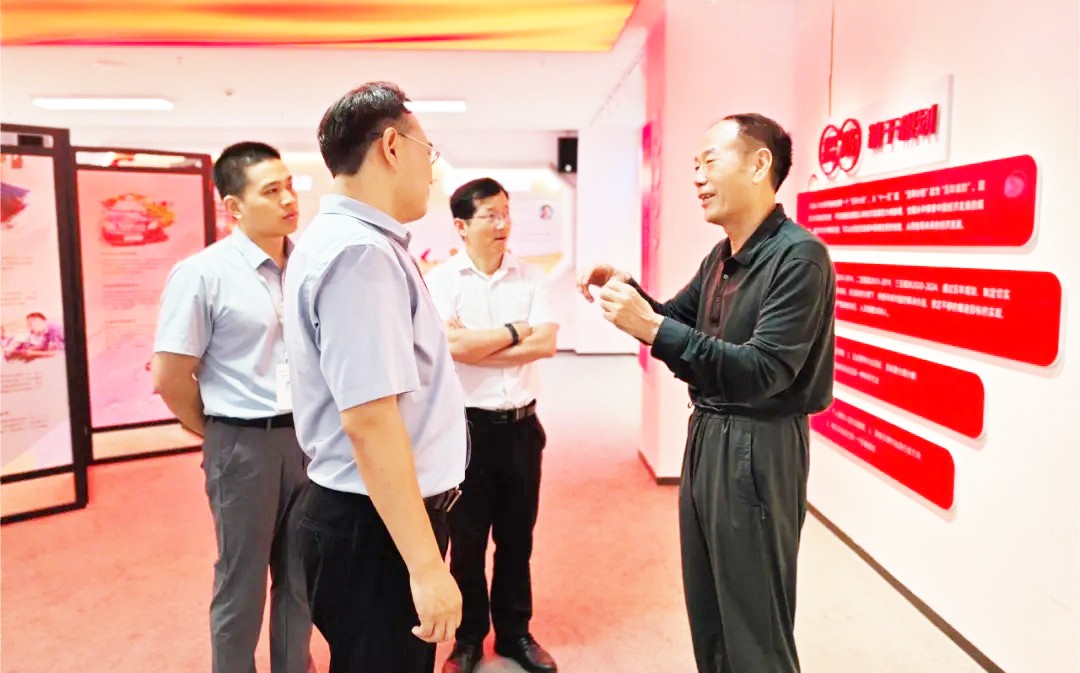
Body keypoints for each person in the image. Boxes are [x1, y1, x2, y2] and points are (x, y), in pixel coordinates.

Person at [578, 114, 836, 673]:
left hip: (759, 445)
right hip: (709, 435)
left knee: (754, 621)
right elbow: (675, 321)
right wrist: (629, 290)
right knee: (711, 607)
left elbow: (764, 370)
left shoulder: (800, 256)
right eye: (694, 165)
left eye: (709, 161)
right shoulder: (721, 256)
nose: (696, 176)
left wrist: (652, 327)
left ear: (760, 164)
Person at [283, 81, 468, 673]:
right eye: (428, 151)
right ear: (392, 146)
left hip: (371, 516)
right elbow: (369, 419)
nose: (432, 171)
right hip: (376, 526)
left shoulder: (348, 242)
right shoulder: (359, 253)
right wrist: (426, 567)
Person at [151, 142, 313, 673]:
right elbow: (170, 376)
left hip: (309, 440)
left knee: (301, 578)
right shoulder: (203, 273)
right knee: (242, 584)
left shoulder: (308, 266)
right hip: (242, 444)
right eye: (272, 190)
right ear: (234, 206)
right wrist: (218, 430)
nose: (289, 199)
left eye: (290, 186)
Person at [424, 178, 559, 673]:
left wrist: (479, 346)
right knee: (467, 542)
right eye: (491, 215)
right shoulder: (442, 281)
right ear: (462, 225)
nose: (503, 224)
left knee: (517, 539)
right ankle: (468, 638)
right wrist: (515, 332)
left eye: (506, 213)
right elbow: (450, 348)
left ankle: (515, 632)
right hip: (466, 433)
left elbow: (545, 343)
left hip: (522, 429)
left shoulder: (531, 277)